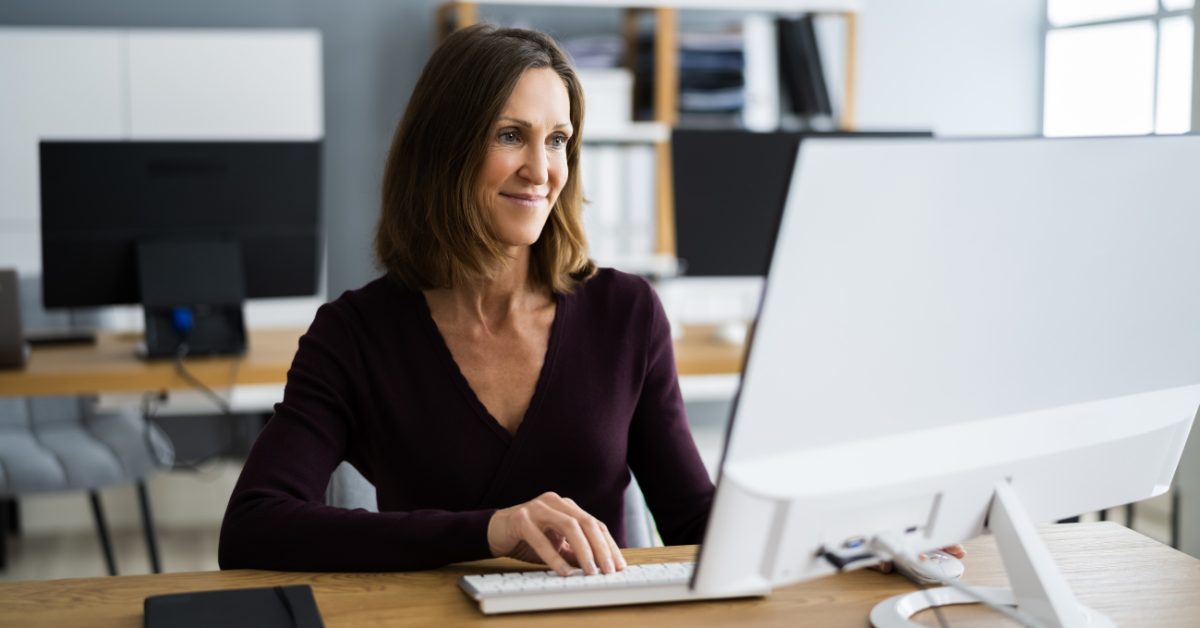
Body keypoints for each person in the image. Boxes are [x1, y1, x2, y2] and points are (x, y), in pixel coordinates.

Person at [218, 24, 714, 576]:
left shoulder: (627, 313)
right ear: (443, 149)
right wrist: (489, 530)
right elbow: (252, 528)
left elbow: (695, 522)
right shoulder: (356, 334)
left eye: (556, 140)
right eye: (509, 135)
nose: (541, 170)